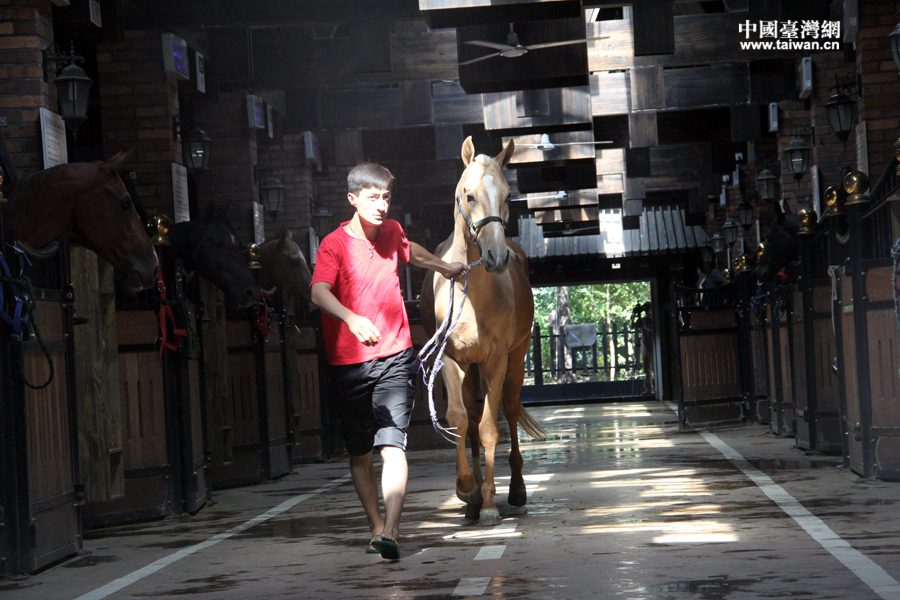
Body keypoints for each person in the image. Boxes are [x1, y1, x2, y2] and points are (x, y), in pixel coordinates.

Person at [310, 162, 466, 561]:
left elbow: (408, 251)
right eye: (372, 197)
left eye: (386, 197)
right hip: (349, 363)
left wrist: (444, 265)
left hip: (396, 355)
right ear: (353, 199)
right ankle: (376, 527)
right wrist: (350, 317)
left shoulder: (393, 230)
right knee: (360, 452)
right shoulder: (333, 244)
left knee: (392, 444)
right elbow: (318, 293)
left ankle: (392, 530)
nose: (381, 206)